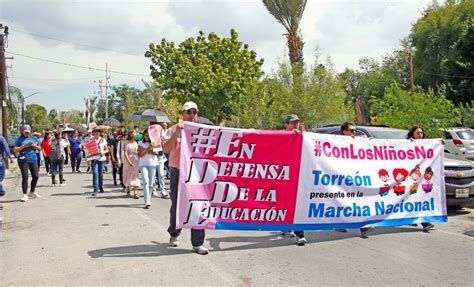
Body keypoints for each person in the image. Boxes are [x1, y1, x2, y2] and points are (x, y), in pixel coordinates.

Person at [163, 101, 208, 255]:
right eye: (188, 112)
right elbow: (166, 148)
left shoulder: (203, 131)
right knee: (177, 205)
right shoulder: (172, 130)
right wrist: (178, 132)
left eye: (194, 112)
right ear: (182, 113)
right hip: (178, 172)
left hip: (197, 175)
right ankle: (174, 232)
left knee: (199, 206)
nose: (192, 115)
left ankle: (198, 243)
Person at [338, 122, 375, 237]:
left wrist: (371, 142)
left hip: (355, 177)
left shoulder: (359, 141)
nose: (354, 133)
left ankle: (363, 226)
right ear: (344, 131)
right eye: (352, 130)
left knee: (357, 201)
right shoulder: (335, 141)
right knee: (341, 201)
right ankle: (340, 223)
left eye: (355, 131)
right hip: (339, 178)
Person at [280, 114, 307, 246]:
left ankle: (300, 234)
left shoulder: (303, 136)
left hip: (298, 176)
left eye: (297, 123)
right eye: (292, 123)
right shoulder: (279, 136)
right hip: (281, 176)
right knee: (284, 203)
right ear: (286, 125)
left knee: (298, 204)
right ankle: (285, 227)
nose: (295, 125)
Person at [407, 125, 435, 231]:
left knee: (420, 199)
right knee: (413, 198)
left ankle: (421, 221)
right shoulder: (408, 144)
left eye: (421, 133)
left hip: (422, 179)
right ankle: (423, 222)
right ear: (412, 134)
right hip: (410, 179)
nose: (420, 135)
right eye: (418, 133)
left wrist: (439, 143)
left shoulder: (427, 145)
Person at [14, 125, 42, 202]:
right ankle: (25, 194)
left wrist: (34, 145)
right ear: (22, 132)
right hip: (23, 160)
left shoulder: (34, 138)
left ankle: (32, 191)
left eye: (28, 132)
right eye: (25, 132)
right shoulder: (19, 139)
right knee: (25, 176)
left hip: (33, 159)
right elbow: (15, 150)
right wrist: (24, 146)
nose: (27, 133)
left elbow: (40, 148)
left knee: (36, 176)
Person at [138, 129, 159, 208]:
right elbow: (141, 154)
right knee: (145, 181)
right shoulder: (140, 142)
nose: (147, 137)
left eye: (148, 135)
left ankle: (148, 198)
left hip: (153, 164)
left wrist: (147, 150)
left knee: (150, 183)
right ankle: (147, 200)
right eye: (145, 135)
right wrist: (149, 148)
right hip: (143, 164)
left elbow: (156, 153)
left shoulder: (155, 142)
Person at [90, 127, 109, 196]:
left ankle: (100, 186)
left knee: (100, 174)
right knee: (95, 173)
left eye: (98, 131)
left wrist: (103, 152)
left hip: (102, 159)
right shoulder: (91, 140)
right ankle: (95, 189)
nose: (96, 132)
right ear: (93, 132)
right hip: (94, 159)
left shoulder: (103, 140)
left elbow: (107, 149)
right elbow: (88, 150)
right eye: (95, 131)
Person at [123, 130, 140, 198]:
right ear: (130, 134)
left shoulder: (137, 143)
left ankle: (135, 192)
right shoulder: (126, 143)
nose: (135, 134)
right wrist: (129, 161)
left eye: (136, 133)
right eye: (134, 132)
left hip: (136, 159)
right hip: (128, 159)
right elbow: (125, 152)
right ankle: (128, 188)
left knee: (135, 175)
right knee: (128, 174)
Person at [0, 134, 14, 200]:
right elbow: (6, 149)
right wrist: (10, 158)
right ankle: (1, 190)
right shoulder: (1, 138)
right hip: (0, 161)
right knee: (1, 176)